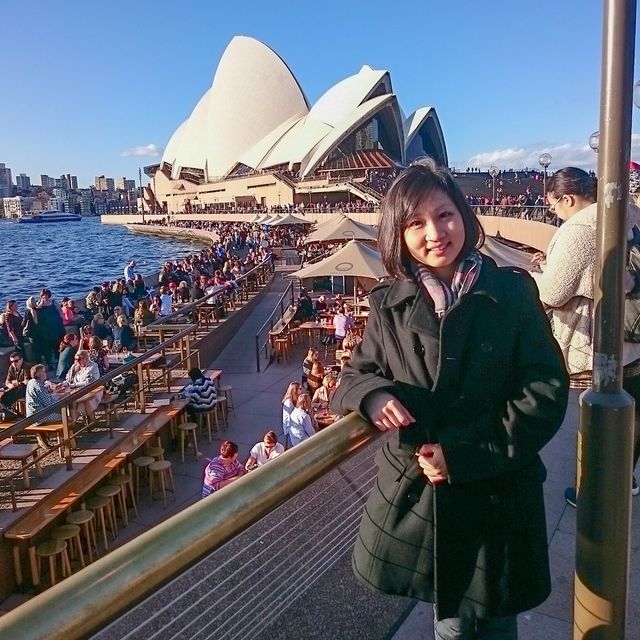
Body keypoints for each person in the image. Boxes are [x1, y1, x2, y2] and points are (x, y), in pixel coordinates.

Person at [330, 159, 569, 639]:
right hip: (426, 497)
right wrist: (373, 396)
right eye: (416, 222)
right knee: (454, 624)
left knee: (497, 619)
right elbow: (356, 373)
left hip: (497, 483)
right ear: (397, 234)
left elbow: (545, 389)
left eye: (445, 215)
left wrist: (461, 454)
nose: (435, 232)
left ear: (464, 215)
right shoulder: (388, 304)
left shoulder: (512, 292)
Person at [531, 167, 640, 503]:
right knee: (632, 411)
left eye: (553, 205)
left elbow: (552, 292)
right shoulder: (629, 209)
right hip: (633, 336)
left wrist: (532, 275)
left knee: (595, 417)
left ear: (568, 197)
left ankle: (593, 491)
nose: (553, 212)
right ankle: (625, 478)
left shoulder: (580, 226)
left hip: (598, 342)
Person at [64, 350, 103, 422]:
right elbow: (68, 378)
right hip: (76, 390)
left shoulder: (93, 366)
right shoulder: (75, 367)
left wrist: (74, 385)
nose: (77, 361)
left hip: (91, 391)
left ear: (85, 358)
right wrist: (64, 384)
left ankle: (74, 420)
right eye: (75, 359)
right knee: (67, 399)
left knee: (74, 400)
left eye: (79, 359)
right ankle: (72, 420)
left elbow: (91, 382)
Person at [22, 296, 45, 365]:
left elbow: (23, 323)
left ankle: (38, 363)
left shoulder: (28, 312)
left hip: (32, 333)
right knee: (41, 346)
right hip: (40, 332)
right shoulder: (38, 310)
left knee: (35, 349)